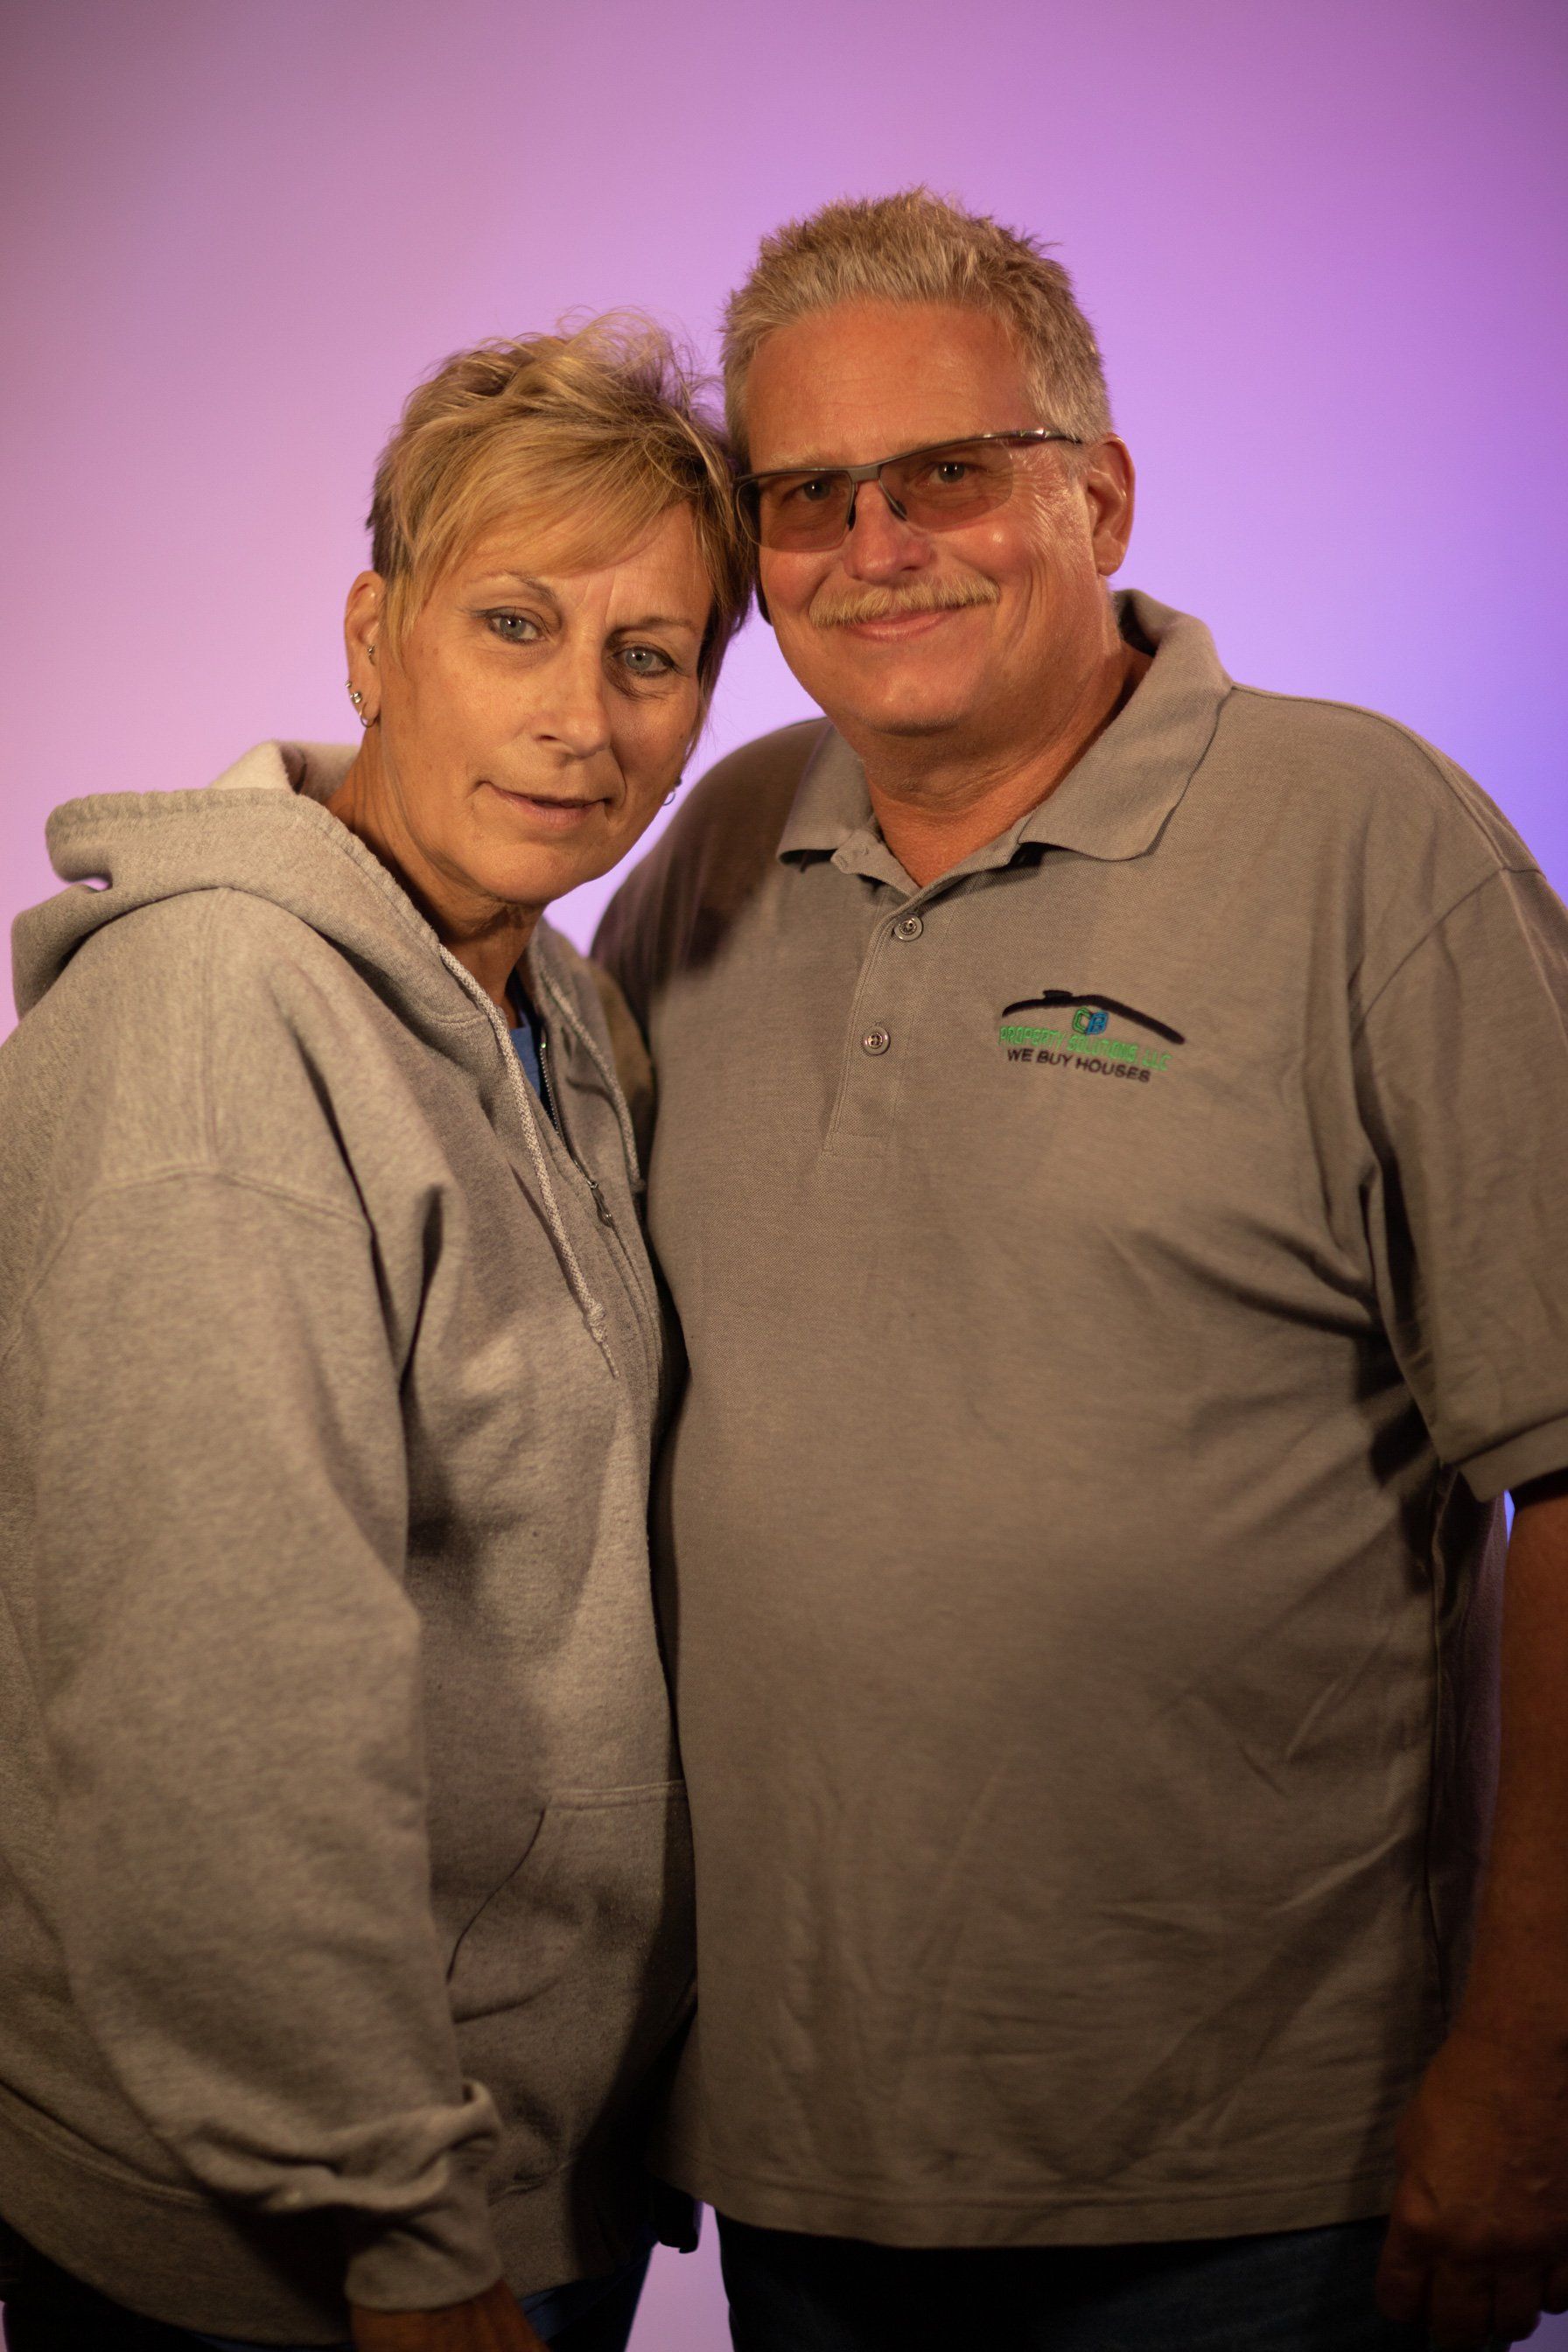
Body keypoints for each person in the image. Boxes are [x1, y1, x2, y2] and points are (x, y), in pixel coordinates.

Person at [596, 192, 1568, 2352]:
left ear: (1094, 492)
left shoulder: (1366, 845)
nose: (879, 546)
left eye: (942, 473)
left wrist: (1529, 2067)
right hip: (803, 2146)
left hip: (1255, 2176)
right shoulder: (714, 854)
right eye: (808, 499)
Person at [0, 318, 749, 2352]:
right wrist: (395, 2234)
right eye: (514, 623)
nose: (580, 719)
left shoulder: (567, 1022)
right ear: (372, 635)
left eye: (649, 656)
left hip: (515, 2170)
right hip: (296, 2249)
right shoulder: (221, 1023)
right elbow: (215, 1701)